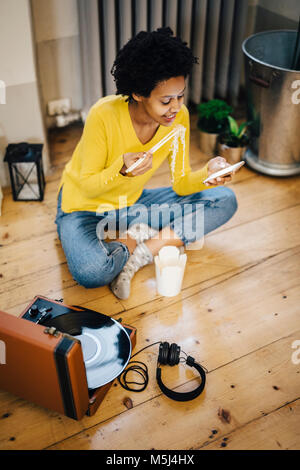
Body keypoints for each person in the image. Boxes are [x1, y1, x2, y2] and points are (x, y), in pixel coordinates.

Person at [55, 27, 238, 300]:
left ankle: (141, 252)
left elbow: (181, 183)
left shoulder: (178, 119)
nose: (176, 107)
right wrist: (120, 170)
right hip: (81, 207)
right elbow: (88, 187)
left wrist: (207, 174)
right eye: (166, 100)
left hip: (132, 204)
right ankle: (132, 238)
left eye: (180, 96)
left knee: (224, 199)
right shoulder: (103, 114)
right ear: (139, 93)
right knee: (92, 272)